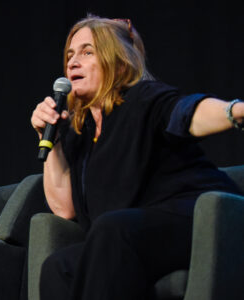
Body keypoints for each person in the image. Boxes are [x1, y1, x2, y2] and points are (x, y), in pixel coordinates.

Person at [30, 16, 244, 300]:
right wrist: (53, 142)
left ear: (117, 63)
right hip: (131, 235)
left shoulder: (142, 98)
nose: (72, 62)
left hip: (200, 218)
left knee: (112, 229)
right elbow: (65, 209)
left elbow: (187, 113)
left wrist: (236, 111)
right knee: (59, 266)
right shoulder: (80, 132)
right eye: (70, 55)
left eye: (87, 52)